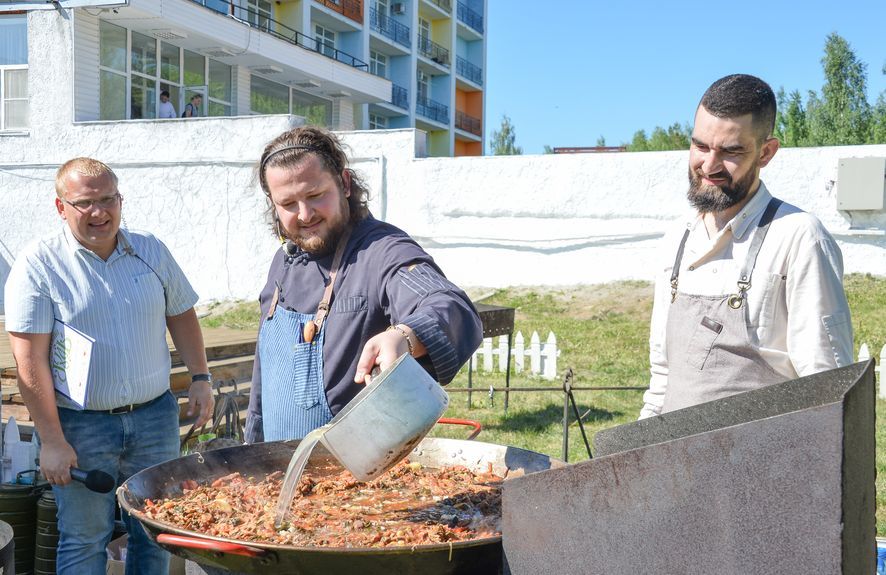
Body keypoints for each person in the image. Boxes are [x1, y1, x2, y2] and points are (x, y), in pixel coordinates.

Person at [4, 158, 215, 574]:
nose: (100, 212)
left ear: (120, 200)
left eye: (108, 199)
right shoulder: (39, 265)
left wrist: (201, 376)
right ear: (60, 207)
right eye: (85, 203)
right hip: (80, 426)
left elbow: (182, 313)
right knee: (85, 539)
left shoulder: (150, 249)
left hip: (154, 418)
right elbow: (28, 360)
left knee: (153, 533)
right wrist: (51, 440)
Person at [245, 127, 483, 442]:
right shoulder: (282, 262)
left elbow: (450, 305)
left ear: (344, 184)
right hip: (278, 472)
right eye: (288, 203)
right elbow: (265, 381)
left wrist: (404, 336)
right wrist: (251, 446)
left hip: (359, 475)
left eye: (315, 195)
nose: (304, 214)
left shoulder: (383, 249)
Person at [639, 74, 853, 418]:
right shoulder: (677, 239)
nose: (709, 165)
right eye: (701, 146)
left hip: (763, 467)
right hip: (676, 469)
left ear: (766, 152)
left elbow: (828, 389)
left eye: (731, 151)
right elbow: (663, 379)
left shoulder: (798, 238)